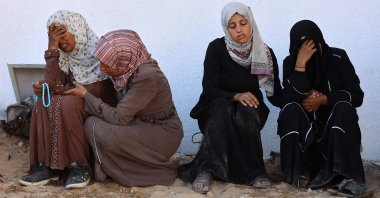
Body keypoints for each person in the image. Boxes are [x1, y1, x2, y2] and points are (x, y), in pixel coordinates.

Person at [177, 2, 282, 194]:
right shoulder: (216, 48)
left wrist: (301, 78)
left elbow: (276, 95)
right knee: (221, 109)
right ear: (226, 28)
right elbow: (208, 89)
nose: (239, 30)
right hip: (216, 102)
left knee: (248, 109)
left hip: (250, 106)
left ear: (251, 22)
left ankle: (255, 172)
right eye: (232, 26)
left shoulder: (264, 53)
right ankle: (206, 170)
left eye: (243, 23)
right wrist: (235, 96)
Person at [64, 29, 184, 187]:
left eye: (106, 64)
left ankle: (152, 172)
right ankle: (112, 167)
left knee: (100, 129)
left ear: (123, 58)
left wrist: (86, 95)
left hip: (163, 133)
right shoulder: (126, 72)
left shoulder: (147, 76)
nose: (102, 68)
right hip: (141, 126)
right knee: (93, 124)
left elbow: (119, 117)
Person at [19, 10, 117, 189]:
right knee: (42, 100)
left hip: (99, 108)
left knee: (68, 103)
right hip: (73, 102)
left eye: (63, 36)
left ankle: (79, 166)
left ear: (78, 31)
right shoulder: (66, 57)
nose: (62, 43)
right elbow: (55, 83)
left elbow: (93, 91)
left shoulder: (98, 53)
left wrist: (57, 88)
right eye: (56, 38)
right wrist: (51, 50)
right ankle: (45, 166)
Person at [277, 20, 374, 197]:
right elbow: (285, 100)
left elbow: (356, 96)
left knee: (344, 107)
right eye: (304, 48)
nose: (311, 52)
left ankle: (349, 177)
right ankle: (296, 174)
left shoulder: (338, 58)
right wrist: (300, 65)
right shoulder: (290, 62)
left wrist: (324, 99)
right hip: (309, 140)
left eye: (314, 45)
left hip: (334, 137)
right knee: (290, 109)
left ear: (321, 41)